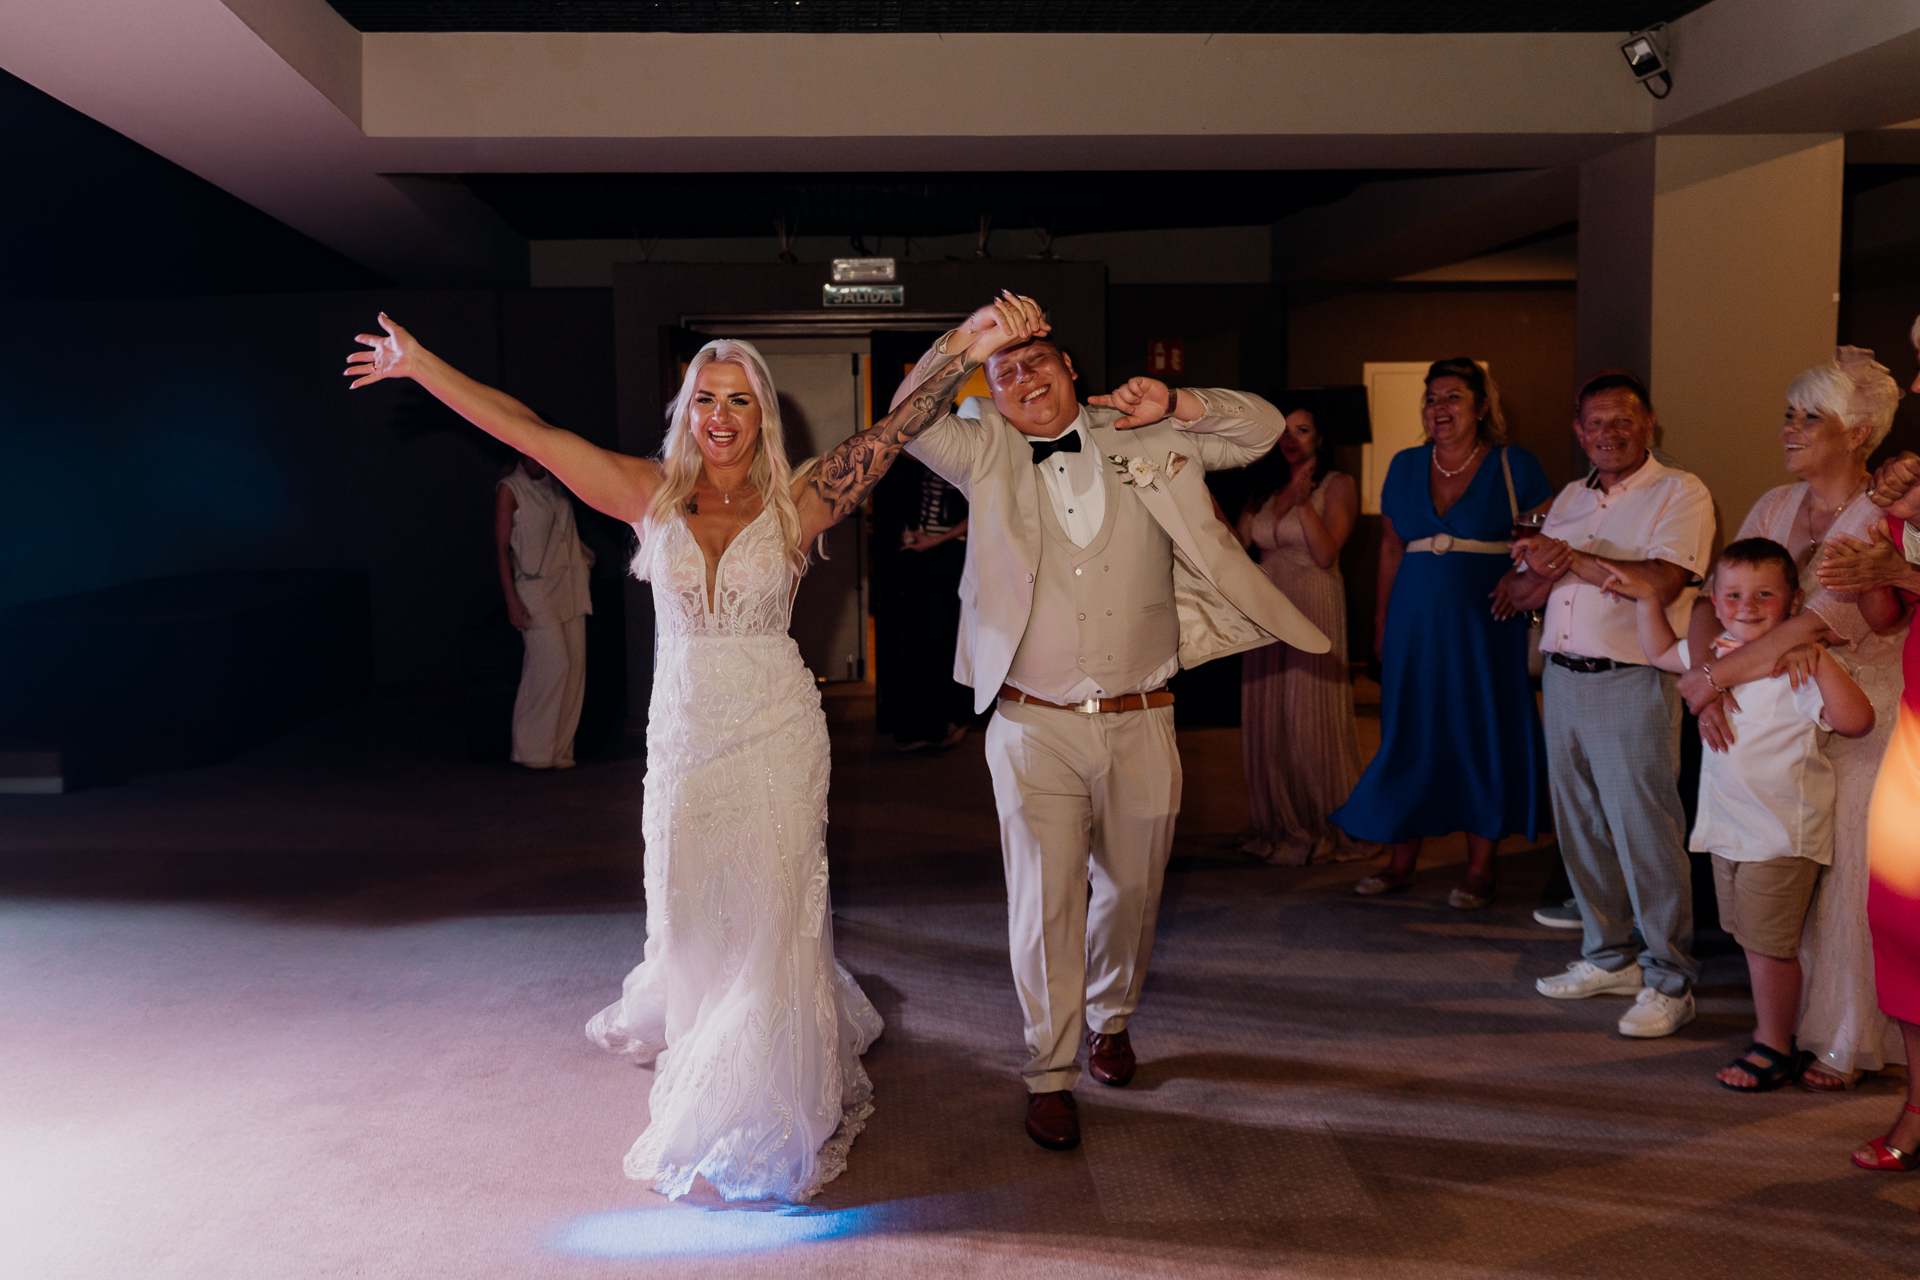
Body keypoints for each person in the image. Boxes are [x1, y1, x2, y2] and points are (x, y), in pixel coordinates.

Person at [344, 293, 1042, 1202]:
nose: (720, 417)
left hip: (778, 731)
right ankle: (708, 1023)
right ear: (686, 411)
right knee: (693, 899)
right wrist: (420, 363)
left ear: (765, 413)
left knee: (773, 902)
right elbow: (526, 425)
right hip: (684, 735)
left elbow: (901, 421)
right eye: (705, 399)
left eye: (739, 399)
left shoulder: (801, 500)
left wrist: (968, 343)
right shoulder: (645, 494)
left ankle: (756, 1076)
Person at [897, 311, 1327, 1152]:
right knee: (1045, 903)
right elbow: (907, 415)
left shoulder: (1143, 429)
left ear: (1069, 366)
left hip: (1142, 714)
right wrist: (967, 344)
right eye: (1004, 372)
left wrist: (1182, 400)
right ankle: (1049, 1072)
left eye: (1036, 362)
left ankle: (1110, 1015)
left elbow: (1266, 430)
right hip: (1032, 721)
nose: (1022, 379)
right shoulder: (981, 449)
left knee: (1131, 891)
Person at [1667, 349, 1906, 1088]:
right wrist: (1711, 680)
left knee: (1844, 887)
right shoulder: (1774, 505)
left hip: (1855, 708)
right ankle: (1788, 1025)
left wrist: (1710, 683)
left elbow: (1886, 617)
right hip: (1767, 717)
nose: (1790, 429)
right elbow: (1714, 599)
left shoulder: (1886, 514)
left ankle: (1844, 1036)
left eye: (1812, 417)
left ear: (1859, 432)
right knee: (1777, 884)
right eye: (1789, 415)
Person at [1603, 540, 1874, 1090]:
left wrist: (1818, 658)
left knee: (1769, 948)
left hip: (1779, 832)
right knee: (1753, 941)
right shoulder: (1717, 655)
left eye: (1764, 595)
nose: (1745, 606)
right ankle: (1778, 1029)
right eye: (1731, 595)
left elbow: (1856, 720)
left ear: (1794, 602)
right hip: (1730, 831)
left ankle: (1775, 1046)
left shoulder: (1795, 666)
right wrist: (1647, 600)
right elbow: (1659, 653)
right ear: (1717, 602)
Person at [1507, 370, 1715, 1039]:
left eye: (1622, 420)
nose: (1607, 434)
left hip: (1631, 680)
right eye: (1594, 423)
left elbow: (1663, 578)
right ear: (1578, 431)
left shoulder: (1679, 491)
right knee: (1581, 828)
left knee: (1644, 831)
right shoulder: (1569, 495)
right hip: (1562, 679)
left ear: (1649, 423)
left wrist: (1571, 558)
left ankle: (1669, 979)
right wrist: (1532, 568)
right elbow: (1528, 590)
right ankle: (1608, 957)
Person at [1329, 359, 1553, 909]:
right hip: (1414, 619)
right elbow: (1388, 547)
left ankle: (1480, 869)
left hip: (1487, 620)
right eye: (1431, 399)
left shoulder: (1512, 463)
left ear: (1480, 407)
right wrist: (1380, 623)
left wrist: (1519, 576)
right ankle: (1400, 859)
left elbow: (1548, 534)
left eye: (1452, 397)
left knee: (1481, 733)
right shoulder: (1405, 464)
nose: (1439, 409)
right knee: (1412, 732)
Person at [1233, 401, 1365, 864]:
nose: (1291, 439)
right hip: (1268, 605)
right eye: (1284, 431)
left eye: (1302, 430)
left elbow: (1327, 554)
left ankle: (1324, 819)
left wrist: (1302, 500)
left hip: (1313, 600)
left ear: (1321, 439)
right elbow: (1235, 547)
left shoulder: (1338, 485)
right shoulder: (1262, 488)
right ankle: (1275, 820)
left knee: (1306, 714)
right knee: (1269, 717)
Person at [495, 453, 594, 769]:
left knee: (575, 666)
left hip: (569, 582)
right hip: (534, 588)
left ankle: (558, 751)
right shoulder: (511, 488)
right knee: (554, 664)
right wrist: (511, 599)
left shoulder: (556, 482)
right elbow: (500, 549)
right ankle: (530, 751)